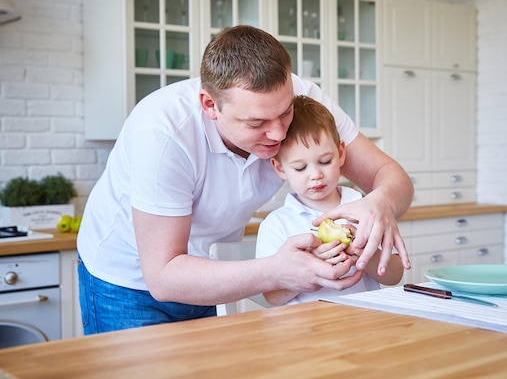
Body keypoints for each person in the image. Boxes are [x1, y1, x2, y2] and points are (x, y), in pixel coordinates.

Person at [77, 25, 413, 334]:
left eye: (285, 113)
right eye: (256, 123)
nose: (279, 132)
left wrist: (380, 202)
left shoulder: (303, 98)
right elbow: (163, 277)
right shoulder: (164, 134)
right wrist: (277, 271)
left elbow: (390, 177)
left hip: (213, 272)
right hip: (126, 281)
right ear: (210, 105)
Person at [256, 95, 404, 305]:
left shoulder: (368, 210)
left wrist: (365, 254)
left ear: (341, 153)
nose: (315, 174)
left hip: (364, 326)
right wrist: (307, 266)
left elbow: (395, 275)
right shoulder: (277, 224)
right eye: (300, 167)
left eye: (325, 161)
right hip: (306, 332)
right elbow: (272, 297)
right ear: (280, 168)